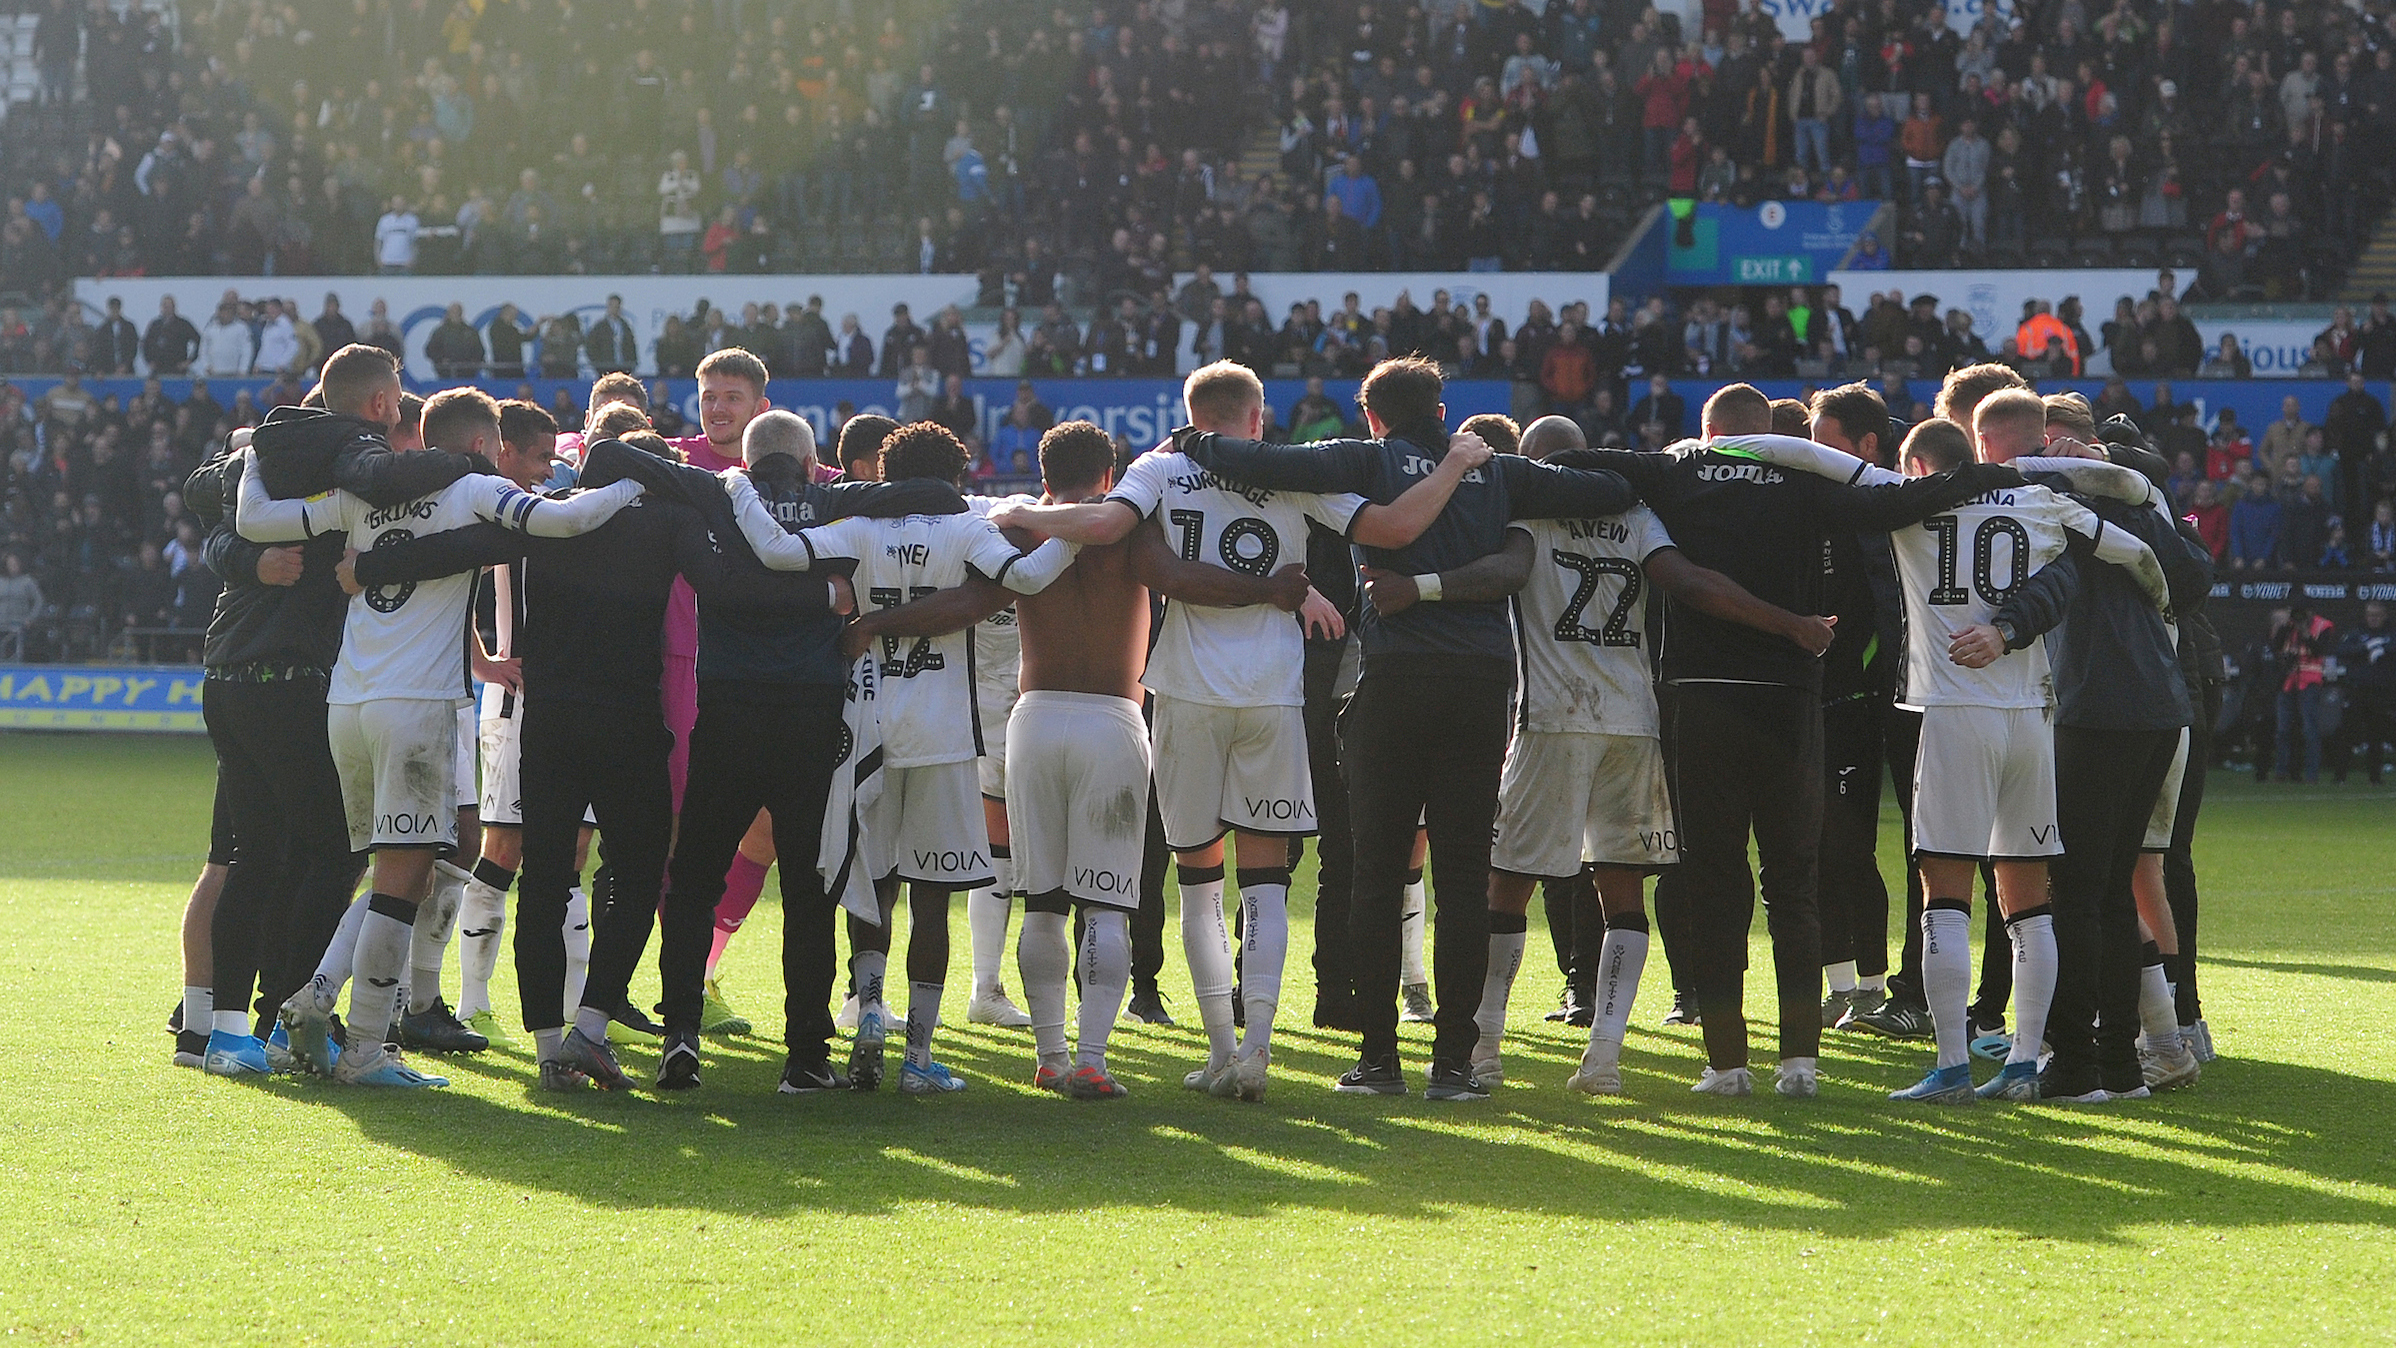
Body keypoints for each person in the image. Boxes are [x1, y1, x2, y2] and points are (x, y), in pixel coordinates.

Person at [993, 361, 1498, 1098]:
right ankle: (1257, 1053)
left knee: (1198, 883)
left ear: (1194, 415)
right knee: (1264, 878)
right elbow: (1396, 525)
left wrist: (1022, 511)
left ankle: (1222, 1052)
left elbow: (1105, 524)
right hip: (1272, 695)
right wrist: (1455, 461)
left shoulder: (1162, 466)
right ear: (1257, 421)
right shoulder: (1293, 473)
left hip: (1188, 693)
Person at [1165, 356, 1646, 1100]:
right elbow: (1614, 487)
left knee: (1375, 870)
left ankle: (1379, 1059)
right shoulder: (1501, 473)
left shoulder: (1369, 458)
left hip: (1392, 683)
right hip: (1481, 686)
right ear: (1445, 414)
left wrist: (1191, 443)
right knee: (1460, 877)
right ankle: (1453, 1064)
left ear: (1373, 415)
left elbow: (1256, 457)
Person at [340, 429, 853, 1090]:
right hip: (630, 723)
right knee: (639, 876)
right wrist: (830, 599)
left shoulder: (548, 515)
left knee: (546, 880)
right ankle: (591, 1027)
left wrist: (368, 568)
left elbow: (467, 546)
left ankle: (551, 1047)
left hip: (548, 723)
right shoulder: (671, 518)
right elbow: (728, 589)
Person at [1566, 385, 2023, 1097]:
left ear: (1708, 431)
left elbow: (1573, 460)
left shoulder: (1673, 471)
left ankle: (1726, 1065)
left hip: (1699, 700)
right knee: (1794, 883)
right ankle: (1800, 1065)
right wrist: (2012, 473)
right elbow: (1907, 500)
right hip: (1790, 703)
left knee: (1715, 882)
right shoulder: (1809, 481)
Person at [849, 421, 1309, 1096]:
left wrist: (874, 624)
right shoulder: (1129, 530)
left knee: (1042, 902)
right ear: (1110, 476)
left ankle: (1050, 1055)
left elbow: (969, 604)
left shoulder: (1021, 531)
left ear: (1042, 479)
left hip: (1032, 722)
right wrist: (1272, 589)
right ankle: (1092, 1059)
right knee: (1107, 904)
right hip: (1112, 721)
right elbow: (1182, 578)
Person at [1730, 403, 2172, 1102]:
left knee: (1945, 891)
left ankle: (1952, 1067)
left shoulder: (1906, 502)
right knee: (2028, 899)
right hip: (2030, 718)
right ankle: (2026, 1062)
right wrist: (2162, 597)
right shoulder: (2042, 499)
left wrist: (1715, 448)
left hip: (1953, 712)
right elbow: (2133, 549)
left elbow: (1817, 460)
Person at [233, 387, 643, 1087]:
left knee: (400, 871)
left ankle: (313, 997)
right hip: (417, 705)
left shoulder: (356, 494)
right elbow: (565, 523)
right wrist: (635, 479)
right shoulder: (475, 488)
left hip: (348, 704)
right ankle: (364, 1048)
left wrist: (246, 461)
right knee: (403, 880)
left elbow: (258, 519)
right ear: (483, 444)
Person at [1468, 415, 1833, 1092]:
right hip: (1633, 721)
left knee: (1508, 883)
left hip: (1552, 717)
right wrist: (1790, 624)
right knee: (1622, 886)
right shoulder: (1636, 517)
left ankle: (1483, 1050)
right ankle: (1603, 1057)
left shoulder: (1525, 515)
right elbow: (1691, 584)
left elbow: (1505, 574)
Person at [727, 422, 1080, 1094]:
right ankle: (917, 1060)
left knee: (872, 887)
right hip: (944, 735)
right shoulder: (966, 530)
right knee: (932, 901)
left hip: (866, 731)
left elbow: (774, 551)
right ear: (954, 478)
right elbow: (1032, 576)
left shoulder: (858, 529)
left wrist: (735, 485)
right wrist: (1080, 521)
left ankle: (866, 1029)